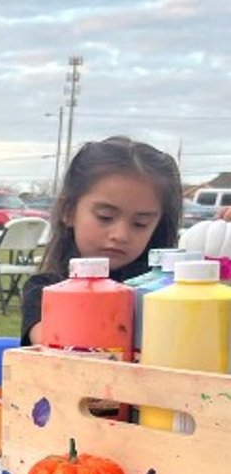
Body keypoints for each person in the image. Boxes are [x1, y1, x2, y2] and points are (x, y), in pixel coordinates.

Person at [21, 136, 183, 345]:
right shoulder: (46, 290)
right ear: (69, 212)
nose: (120, 234)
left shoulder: (166, 291)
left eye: (140, 223)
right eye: (105, 217)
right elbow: (56, 351)